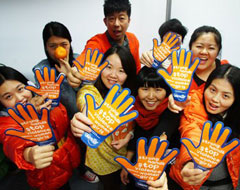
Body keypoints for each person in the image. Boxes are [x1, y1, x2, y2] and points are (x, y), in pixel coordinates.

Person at [0, 65, 81, 189]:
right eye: (8, 97)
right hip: (48, 174)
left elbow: (63, 122)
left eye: (20, 89)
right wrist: (28, 154)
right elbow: (12, 141)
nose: (20, 98)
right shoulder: (6, 122)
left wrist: (49, 108)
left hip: (67, 156)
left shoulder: (43, 100)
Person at [71, 45, 137, 190]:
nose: (113, 75)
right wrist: (82, 117)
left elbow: (134, 124)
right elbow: (85, 99)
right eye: (108, 67)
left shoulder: (131, 96)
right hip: (103, 162)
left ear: (129, 74)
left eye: (121, 70)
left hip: (127, 155)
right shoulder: (92, 91)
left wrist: (129, 136)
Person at [169, 64, 240, 189]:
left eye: (225, 96)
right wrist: (191, 161)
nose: (215, 99)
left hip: (226, 184)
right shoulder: (194, 102)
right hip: (191, 184)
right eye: (212, 90)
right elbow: (191, 131)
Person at [120, 66, 183, 189]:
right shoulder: (136, 108)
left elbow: (162, 135)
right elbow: (136, 137)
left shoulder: (173, 111)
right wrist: (126, 166)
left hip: (164, 174)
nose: (150, 96)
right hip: (139, 168)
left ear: (167, 91)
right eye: (145, 89)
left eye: (158, 90)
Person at [67, 0, 140, 89]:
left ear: (128, 20)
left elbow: (136, 70)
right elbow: (84, 58)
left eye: (121, 18)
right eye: (112, 19)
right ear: (105, 21)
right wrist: (75, 71)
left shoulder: (133, 39)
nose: (116, 24)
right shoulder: (97, 42)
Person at [33, 21, 79, 120]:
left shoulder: (81, 61)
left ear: (70, 43)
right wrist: (62, 78)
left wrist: (69, 75)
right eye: (53, 46)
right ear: (46, 47)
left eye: (64, 44)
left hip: (86, 119)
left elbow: (90, 93)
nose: (59, 50)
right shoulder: (41, 70)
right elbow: (47, 102)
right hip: (60, 122)